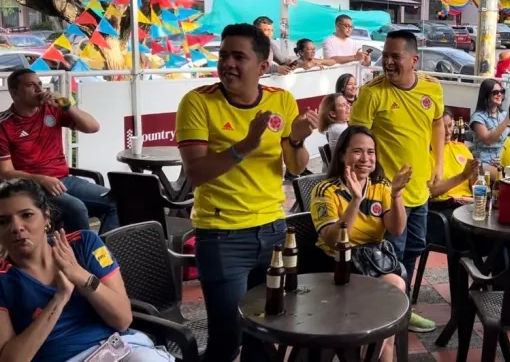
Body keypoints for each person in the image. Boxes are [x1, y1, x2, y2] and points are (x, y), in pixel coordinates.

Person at [175, 23, 318, 362]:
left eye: (239, 56)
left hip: (273, 231)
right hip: (222, 237)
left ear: (262, 67)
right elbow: (195, 174)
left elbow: (295, 168)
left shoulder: (281, 100)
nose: (228, 64)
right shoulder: (197, 102)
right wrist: (245, 145)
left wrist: (296, 139)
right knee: (228, 339)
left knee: (264, 333)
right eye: (223, 55)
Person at [0, 179, 174, 362]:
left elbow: (122, 319)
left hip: (116, 349)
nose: (16, 227)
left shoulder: (84, 244)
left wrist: (80, 276)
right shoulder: (4, 280)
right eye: (3, 221)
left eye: (27, 215)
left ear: (46, 218)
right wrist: (59, 299)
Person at [349, 29, 444, 333]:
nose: (386, 62)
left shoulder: (432, 89)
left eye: (394, 56)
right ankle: (385, 315)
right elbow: (355, 142)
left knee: (413, 251)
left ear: (414, 60)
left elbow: (438, 122)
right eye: (384, 55)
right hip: (386, 195)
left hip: (419, 193)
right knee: (388, 256)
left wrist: (438, 163)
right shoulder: (372, 92)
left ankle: (401, 307)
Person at [310, 126, 410, 362]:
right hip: (336, 266)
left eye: (371, 152)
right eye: (357, 151)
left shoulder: (382, 186)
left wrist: (396, 195)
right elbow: (334, 240)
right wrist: (356, 200)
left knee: (388, 303)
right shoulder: (325, 190)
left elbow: (396, 229)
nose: (365, 159)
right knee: (394, 288)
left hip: (373, 263)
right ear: (342, 155)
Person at [0, 69, 117, 234]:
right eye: (30, 85)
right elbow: (6, 172)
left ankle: (101, 256)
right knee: (77, 208)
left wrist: (67, 106)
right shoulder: (4, 125)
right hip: (30, 187)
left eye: (39, 84)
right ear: (14, 93)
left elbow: (93, 127)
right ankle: (77, 256)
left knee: (117, 200)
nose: (39, 89)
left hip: (64, 180)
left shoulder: (52, 110)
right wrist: (42, 179)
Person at [469, 79, 510, 167]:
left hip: (503, 159)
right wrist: (506, 121)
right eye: (495, 92)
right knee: (502, 176)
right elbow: (488, 140)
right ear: (486, 95)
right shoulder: (478, 117)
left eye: (501, 91)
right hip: (484, 161)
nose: (500, 94)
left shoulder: (504, 114)